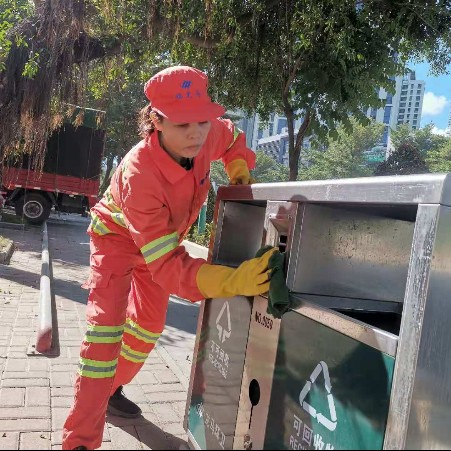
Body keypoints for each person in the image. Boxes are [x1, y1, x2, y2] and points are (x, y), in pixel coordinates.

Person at [62, 65, 276, 450]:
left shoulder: (205, 137)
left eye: (201, 122)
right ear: (156, 121)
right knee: (104, 339)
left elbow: (232, 138)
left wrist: (239, 169)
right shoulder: (140, 173)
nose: (195, 133)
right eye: (182, 125)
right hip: (118, 242)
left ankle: (108, 393)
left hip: (162, 243)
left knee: (146, 331)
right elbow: (169, 269)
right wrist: (232, 282)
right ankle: (80, 439)